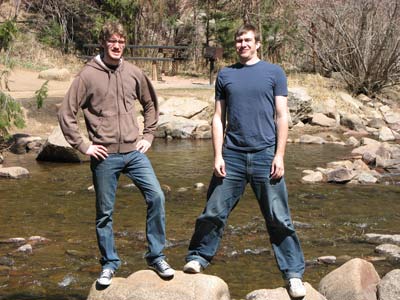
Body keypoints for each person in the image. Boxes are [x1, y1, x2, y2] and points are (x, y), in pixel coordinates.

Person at [183, 24, 306, 298]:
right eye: (239, 40)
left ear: (258, 43)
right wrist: (217, 154)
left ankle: (294, 275)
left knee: (278, 217)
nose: (242, 44)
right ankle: (197, 258)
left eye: (247, 40)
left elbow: (282, 116)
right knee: (213, 212)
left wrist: (280, 155)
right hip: (233, 156)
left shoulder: (274, 73)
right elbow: (218, 117)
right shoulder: (226, 74)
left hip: (265, 155)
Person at [58, 21, 175, 286]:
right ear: (103, 43)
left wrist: (148, 135)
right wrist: (84, 145)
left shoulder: (133, 72)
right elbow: (67, 113)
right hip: (104, 156)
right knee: (105, 213)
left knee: (156, 196)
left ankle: (156, 255)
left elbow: (150, 104)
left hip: (134, 152)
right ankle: (109, 263)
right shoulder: (87, 75)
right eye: (112, 41)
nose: (117, 46)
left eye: (121, 41)